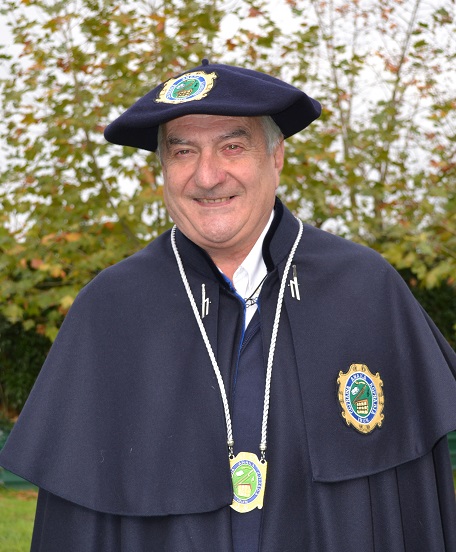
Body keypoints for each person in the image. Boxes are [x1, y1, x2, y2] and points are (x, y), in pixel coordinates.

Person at [1, 59, 456, 552]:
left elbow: (414, 508)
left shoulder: (367, 292)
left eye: (232, 146)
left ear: (276, 156)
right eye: (183, 151)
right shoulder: (109, 311)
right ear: (163, 169)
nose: (207, 175)